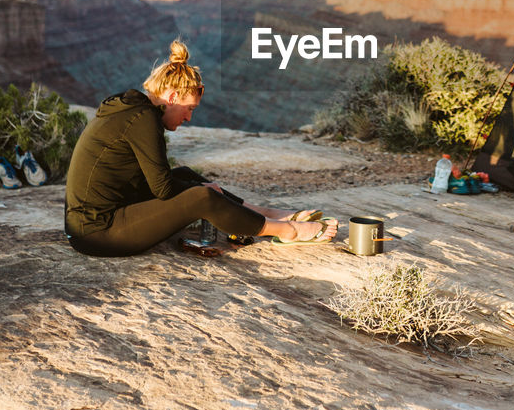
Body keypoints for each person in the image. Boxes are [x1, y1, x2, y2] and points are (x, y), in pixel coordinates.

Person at [65, 39, 336, 257]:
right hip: (97, 233)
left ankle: (266, 214)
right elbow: (162, 189)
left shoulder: (134, 109)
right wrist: (202, 192)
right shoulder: (142, 119)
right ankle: (287, 230)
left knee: (185, 175)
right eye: (188, 109)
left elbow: (159, 181)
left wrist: (198, 187)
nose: (188, 118)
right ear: (172, 97)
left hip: (101, 219)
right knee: (201, 198)